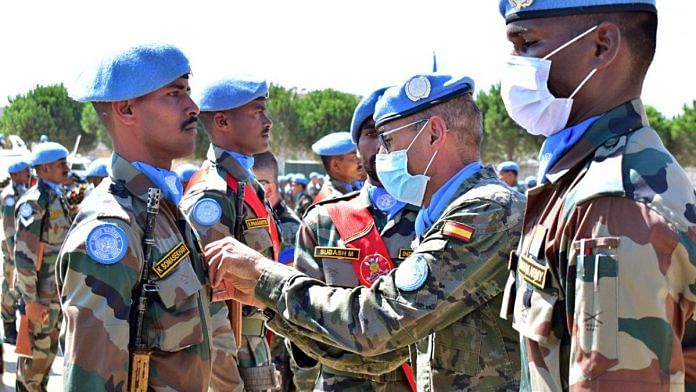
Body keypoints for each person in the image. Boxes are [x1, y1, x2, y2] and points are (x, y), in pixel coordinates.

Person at [204, 72, 525, 391]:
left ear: (433, 134)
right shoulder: (446, 214)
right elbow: (381, 356)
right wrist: (265, 299)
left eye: (389, 141)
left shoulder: (486, 212)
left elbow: (377, 321)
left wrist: (264, 277)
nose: (380, 157)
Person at [496, 1, 696, 390]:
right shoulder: (580, 176)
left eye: (527, 43)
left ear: (602, 46)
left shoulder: (613, 205)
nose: (514, 63)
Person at [59, 43, 214, 391]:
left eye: (188, 92)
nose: (193, 107)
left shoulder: (161, 211)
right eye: (175, 94)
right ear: (126, 109)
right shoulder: (111, 230)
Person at [282, 86, 421, 391]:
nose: (383, 141)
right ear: (356, 148)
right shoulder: (322, 221)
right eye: (372, 132)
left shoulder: (438, 216)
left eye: (394, 130)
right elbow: (301, 322)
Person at [179, 75, 279, 391]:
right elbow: (207, 305)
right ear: (222, 121)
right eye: (257, 112)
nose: (269, 121)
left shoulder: (242, 185)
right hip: (231, 355)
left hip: (252, 345)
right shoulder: (213, 193)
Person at [14, 142, 72, 390]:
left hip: (55, 294)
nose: (67, 168)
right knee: (33, 366)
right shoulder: (35, 203)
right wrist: (30, 301)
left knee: (45, 361)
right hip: (41, 298)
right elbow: (24, 256)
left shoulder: (55, 196)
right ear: (45, 168)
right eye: (61, 164)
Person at [252, 151, 302, 391]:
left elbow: (289, 298)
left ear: (268, 189)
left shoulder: (291, 230)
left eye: (249, 186)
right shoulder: (256, 222)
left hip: (280, 350)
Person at [0, 157, 31, 345]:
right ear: (14, 175)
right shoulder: (10, 196)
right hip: (13, 253)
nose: (28, 174)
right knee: (10, 291)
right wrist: (14, 254)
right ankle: (10, 329)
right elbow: (10, 228)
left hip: (22, 251)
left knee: (21, 289)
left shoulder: (23, 192)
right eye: (24, 171)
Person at [311, 132, 363, 203]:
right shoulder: (330, 202)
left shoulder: (355, 186)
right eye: (354, 157)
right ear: (336, 165)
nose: (360, 162)